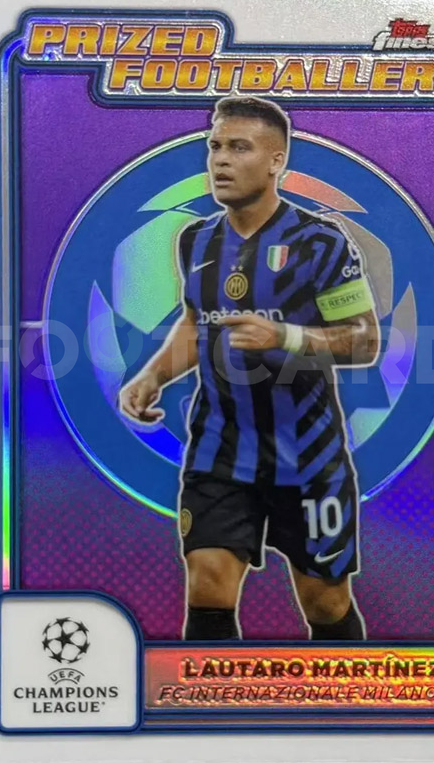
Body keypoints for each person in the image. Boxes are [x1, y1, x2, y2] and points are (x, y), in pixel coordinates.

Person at [119, 96, 380, 641]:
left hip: (308, 456)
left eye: (239, 147)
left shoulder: (321, 242)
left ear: (276, 160)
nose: (220, 159)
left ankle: (346, 691)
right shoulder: (196, 239)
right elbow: (198, 322)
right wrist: (152, 375)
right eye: (215, 146)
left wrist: (284, 337)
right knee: (207, 583)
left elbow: (364, 340)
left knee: (325, 602)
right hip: (219, 450)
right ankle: (212, 694)